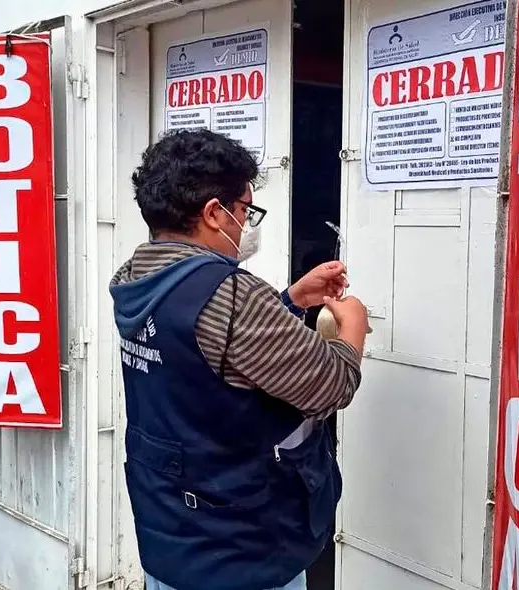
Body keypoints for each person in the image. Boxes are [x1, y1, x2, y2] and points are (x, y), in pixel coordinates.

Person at [111, 129, 369, 590]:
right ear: (214, 213)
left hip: (172, 530)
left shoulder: (137, 276)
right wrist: (351, 325)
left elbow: (209, 354)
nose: (246, 225)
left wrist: (290, 299)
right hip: (240, 547)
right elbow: (332, 384)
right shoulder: (230, 296)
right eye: (245, 211)